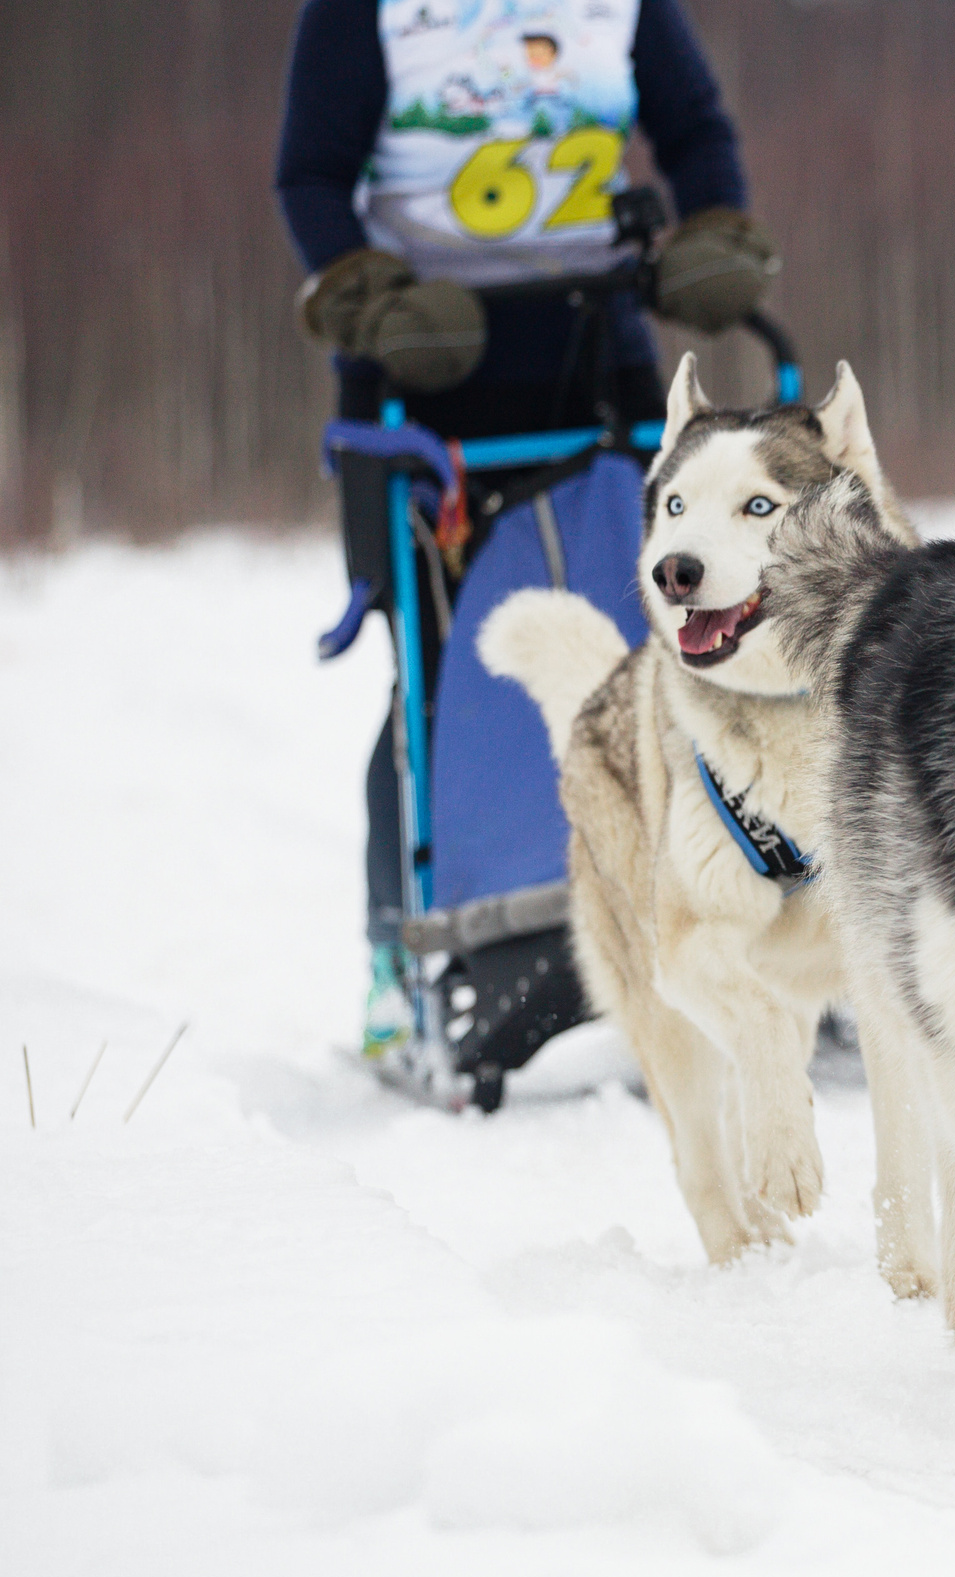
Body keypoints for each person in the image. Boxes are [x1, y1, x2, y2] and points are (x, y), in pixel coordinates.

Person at [273, 0, 778, 1052]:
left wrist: (713, 228)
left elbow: (695, 130)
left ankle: (720, 916)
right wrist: (366, 296)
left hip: (595, 354)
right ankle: (400, 948)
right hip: (423, 365)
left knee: (677, 648)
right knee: (439, 664)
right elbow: (310, 174)